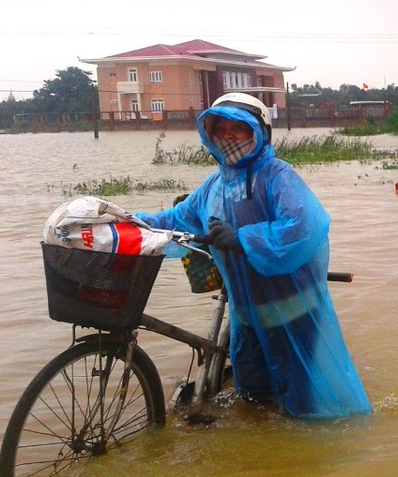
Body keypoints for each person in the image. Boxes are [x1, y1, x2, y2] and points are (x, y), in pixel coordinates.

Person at [137, 93, 372, 419]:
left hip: (293, 309)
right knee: (252, 396)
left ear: (258, 132)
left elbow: (303, 227)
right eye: (222, 128)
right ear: (212, 134)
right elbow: (177, 219)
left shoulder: (277, 175)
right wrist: (129, 223)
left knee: (303, 407)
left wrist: (244, 238)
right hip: (246, 313)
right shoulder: (213, 186)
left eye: (240, 128)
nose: (230, 136)